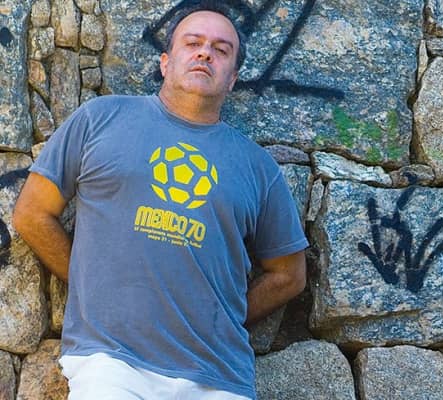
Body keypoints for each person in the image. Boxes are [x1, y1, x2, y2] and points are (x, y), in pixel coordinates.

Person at [12, 3, 308, 399]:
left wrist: (223, 318)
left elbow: (289, 275)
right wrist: (89, 285)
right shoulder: (100, 119)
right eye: (193, 43)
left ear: (233, 79)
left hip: (218, 377)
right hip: (112, 364)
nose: (205, 53)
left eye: (221, 50)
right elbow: (32, 213)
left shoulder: (259, 168)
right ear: (165, 62)